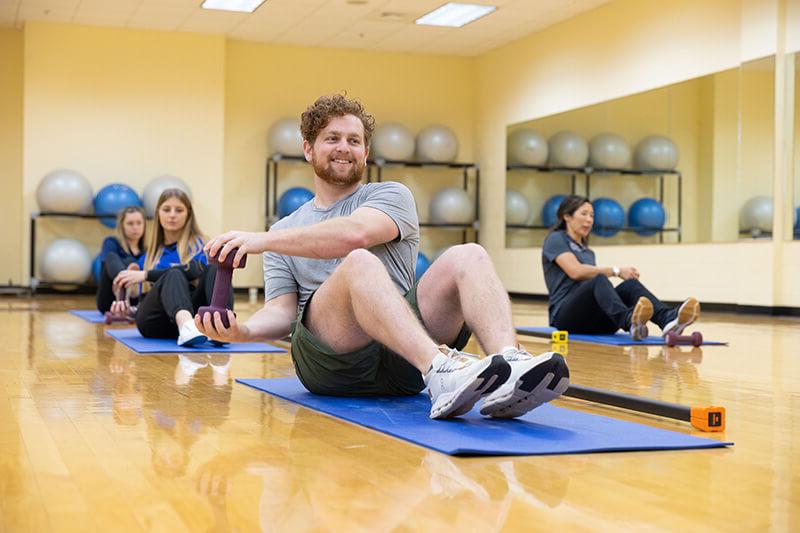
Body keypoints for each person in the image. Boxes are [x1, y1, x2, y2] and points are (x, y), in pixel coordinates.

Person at [195, 93, 569, 420]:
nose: (345, 147)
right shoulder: (282, 232)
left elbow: (355, 233)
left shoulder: (391, 196)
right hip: (331, 363)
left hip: (404, 359)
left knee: (468, 254)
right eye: (332, 138)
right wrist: (242, 332)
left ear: (366, 152)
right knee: (359, 262)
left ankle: (512, 368)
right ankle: (440, 370)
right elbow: (281, 311)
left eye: (354, 140)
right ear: (308, 149)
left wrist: (258, 240)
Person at [541, 194, 700, 340]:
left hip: (596, 323)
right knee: (599, 279)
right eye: (584, 214)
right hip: (565, 319)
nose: (589, 220)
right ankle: (631, 321)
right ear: (567, 216)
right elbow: (575, 271)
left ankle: (667, 319)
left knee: (630, 285)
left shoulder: (588, 252)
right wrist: (616, 271)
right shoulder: (556, 239)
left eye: (592, 216)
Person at [111, 188, 230, 347]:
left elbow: (197, 269)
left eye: (179, 210)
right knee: (173, 274)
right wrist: (123, 304)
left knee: (215, 268)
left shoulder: (202, 245)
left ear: (188, 214)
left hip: (197, 319)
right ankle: (186, 326)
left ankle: (220, 327)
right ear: (158, 213)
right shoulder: (150, 255)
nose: (172, 215)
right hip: (156, 323)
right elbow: (132, 292)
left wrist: (147, 274)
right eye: (167, 209)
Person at [95, 206, 147, 314]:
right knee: (112, 257)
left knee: (135, 262)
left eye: (139, 223)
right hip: (110, 302)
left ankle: (130, 286)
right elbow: (107, 261)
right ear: (122, 226)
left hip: (136, 301)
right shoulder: (111, 242)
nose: (135, 227)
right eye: (130, 223)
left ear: (144, 226)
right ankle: (124, 284)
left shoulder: (147, 251)